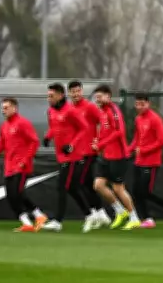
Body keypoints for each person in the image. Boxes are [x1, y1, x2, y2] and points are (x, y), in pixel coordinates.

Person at [0, 97, 48, 232]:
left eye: (6, 108)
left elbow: (34, 142)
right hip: (9, 167)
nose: (3, 111)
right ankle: (27, 223)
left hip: (21, 167)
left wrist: (24, 161)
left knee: (18, 193)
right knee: (11, 196)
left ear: (14, 108)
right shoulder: (4, 126)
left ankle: (39, 215)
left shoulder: (23, 123)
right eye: (2, 108)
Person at [41, 83, 92, 232]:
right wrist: (48, 137)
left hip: (72, 156)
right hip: (61, 156)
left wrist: (72, 145)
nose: (49, 99)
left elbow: (84, 128)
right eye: (48, 96)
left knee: (62, 187)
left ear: (60, 95)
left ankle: (58, 221)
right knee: (72, 188)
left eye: (51, 96)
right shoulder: (51, 111)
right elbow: (54, 127)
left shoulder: (70, 110)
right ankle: (89, 214)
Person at [91, 84, 140, 231]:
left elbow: (119, 132)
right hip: (106, 156)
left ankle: (134, 218)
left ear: (108, 96)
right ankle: (120, 211)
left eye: (100, 97)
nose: (98, 100)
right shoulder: (102, 111)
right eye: (96, 97)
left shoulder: (114, 110)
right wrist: (97, 141)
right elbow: (104, 130)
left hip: (118, 156)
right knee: (98, 185)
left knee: (118, 189)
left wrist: (101, 144)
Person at [68, 80, 111, 231]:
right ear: (69, 93)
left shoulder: (89, 107)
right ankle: (101, 213)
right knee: (86, 185)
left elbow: (103, 122)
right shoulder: (70, 109)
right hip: (76, 153)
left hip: (88, 152)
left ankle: (93, 213)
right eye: (73, 92)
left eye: (78, 91)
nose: (76, 94)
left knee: (79, 183)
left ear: (82, 91)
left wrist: (99, 139)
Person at [129, 93, 163, 228]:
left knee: (144, 192)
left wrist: (144, 150)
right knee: (136, 192)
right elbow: (137, 138)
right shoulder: (138, 119)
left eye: (142, 104)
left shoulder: (155, 119)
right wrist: (128, 150)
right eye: (137, 104)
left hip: (151, 162)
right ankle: (147, 219)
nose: (139, 107)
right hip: (138, 161)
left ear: (148, 104)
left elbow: (162, 140)